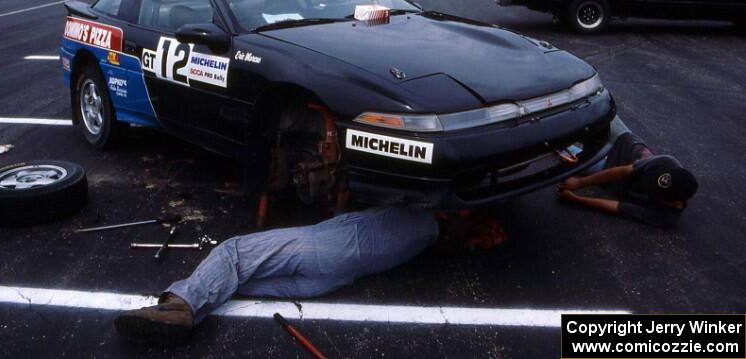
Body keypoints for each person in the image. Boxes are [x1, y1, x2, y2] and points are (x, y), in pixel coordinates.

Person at [114, 206, 505, 344]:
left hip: (323, 248)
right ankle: (181, 313)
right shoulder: (422, 242)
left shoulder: (417, 215)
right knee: (235, 281)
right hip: (329, 282)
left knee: (232, 252)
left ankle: (180, 306)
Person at [557, 132, 698, 227]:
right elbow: (624, 171)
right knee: (598, 112)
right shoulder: (668, 164)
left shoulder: (665, 217)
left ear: (674, 202)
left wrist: (575, 199)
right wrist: (580, 183)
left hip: (608, 167)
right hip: (627, 143)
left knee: (564, 148)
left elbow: (617, 207)